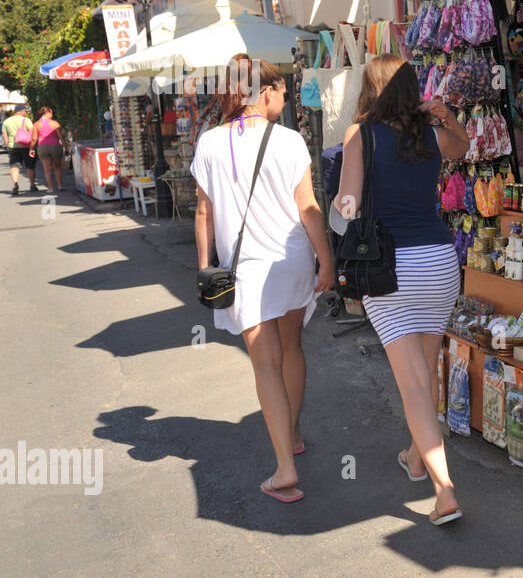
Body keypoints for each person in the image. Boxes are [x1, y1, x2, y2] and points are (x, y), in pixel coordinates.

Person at [332, 55, 470, 526]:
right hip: (439, 261)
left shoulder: (361, 135)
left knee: (412, 385)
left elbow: (347, 208)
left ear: (371, 88)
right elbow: (463, 149)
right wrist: (444, 115)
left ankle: (445, 489)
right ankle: (416, 456)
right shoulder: (427, 134)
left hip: (391, 269)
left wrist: (338, 204)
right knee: (425, 371)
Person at [190, 54, 334, 504]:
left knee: (265, 364)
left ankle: (285, 469)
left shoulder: (209, 143)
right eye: (283, 93)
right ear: (265, 92)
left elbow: (203, 213)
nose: (285, 100)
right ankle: (292, 434)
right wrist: (326, 260)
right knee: (292, 347)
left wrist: (204, 267)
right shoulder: (289, 140)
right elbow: (309, 208)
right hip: (291, 261)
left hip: (246, 269)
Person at [2, 107, 37, 195]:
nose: (26, 113)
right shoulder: (26, 120)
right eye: (25, 111)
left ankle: (15, 184)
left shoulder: (6, 121)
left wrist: (7, 146)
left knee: (14, 166)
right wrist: (33, 147)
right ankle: (32, 185)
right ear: (20, 111)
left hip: (13, 147)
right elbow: (32, 134)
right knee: (30, 166)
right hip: (26, 147)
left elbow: (5, 136)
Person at [30, 107, 65, 193]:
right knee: (57, 167)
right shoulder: (54, 123)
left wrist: (31, 149)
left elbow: (34, 139)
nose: (52, 115)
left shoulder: (36, 124)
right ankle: (60, 186)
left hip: (42, 147)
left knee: (47, 169)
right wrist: (65, 146)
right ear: (47, 113)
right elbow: (61, 137)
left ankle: (50, 188)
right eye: (51, 113)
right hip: (55, 146)